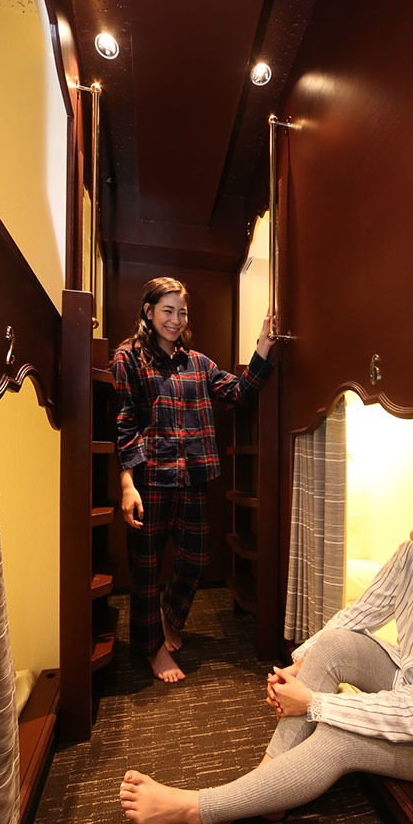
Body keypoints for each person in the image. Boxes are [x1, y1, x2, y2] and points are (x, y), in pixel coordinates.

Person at [119, 483, 413, 824]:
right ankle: (268, 789)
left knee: (339, 736)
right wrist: (303, 664)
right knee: (334, 644)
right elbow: (362, 612)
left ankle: (197, 810)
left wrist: (313, 703)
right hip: (409, 681)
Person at [111, 276, 275, 683]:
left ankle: (167, 618)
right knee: (146, 568)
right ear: (148, 312)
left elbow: (240, 393)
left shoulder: (198, 363)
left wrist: (262, 347)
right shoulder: (128, 358)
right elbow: (124, 422)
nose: (175, 320)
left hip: (194, 477)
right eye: (167, 311)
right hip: (150, 478)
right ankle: (152, 649)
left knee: (198, 557)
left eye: (181, 312)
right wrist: (127, 483)